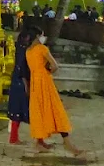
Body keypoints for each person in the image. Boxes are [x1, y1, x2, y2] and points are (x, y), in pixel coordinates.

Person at [23, 26, 84, 155]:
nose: (43, 38)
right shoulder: (42, 49)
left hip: (35, 83)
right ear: (37, 36)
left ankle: (39, 142)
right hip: (45, 82)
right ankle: (68, 144)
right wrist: (48, 72)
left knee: (38, 111)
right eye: (41, 35)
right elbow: (55, 66)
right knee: (56, 111)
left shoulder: (28, 51)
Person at [6, 26, 35, 145]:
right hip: (20, 83)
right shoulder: (25, 51)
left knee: (16, 110)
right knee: (20, 110)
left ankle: (14, 137)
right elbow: (23, 70)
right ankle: (15, 138)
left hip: (16, 81)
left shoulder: (19, 48)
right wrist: (26, 86)